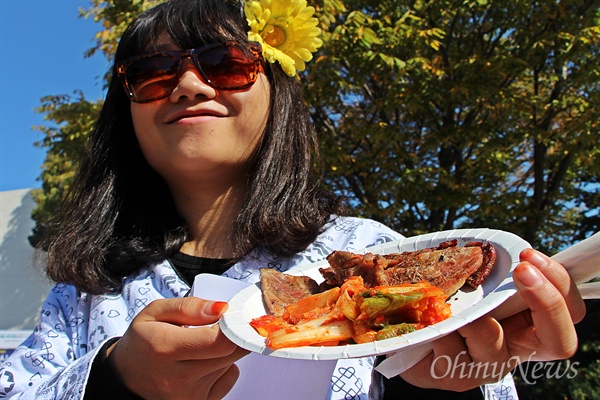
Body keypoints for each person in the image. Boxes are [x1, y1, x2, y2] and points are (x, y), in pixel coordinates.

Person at [0, 0, 585, 399]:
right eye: (152, 73)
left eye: (224, 64)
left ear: (276, 96)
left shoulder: (373, 252)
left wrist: (427, 385)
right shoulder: (83, 293)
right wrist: (113, 380)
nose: (188, 84)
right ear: (125, 114)